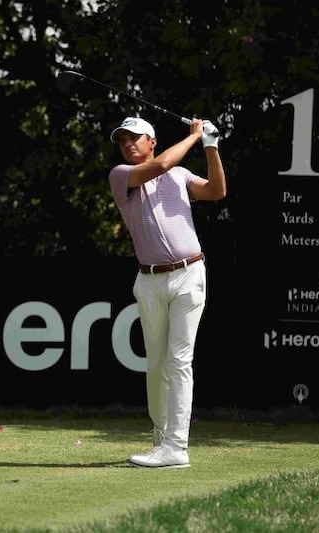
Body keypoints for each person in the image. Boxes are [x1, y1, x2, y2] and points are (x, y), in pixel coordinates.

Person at [107, 116, 226, 468]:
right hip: (149, 280)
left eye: (135, 138)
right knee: (157, 365)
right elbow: (161, 164)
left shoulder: (180, 176)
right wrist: (193, 137)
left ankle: (176, 447)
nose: (128, 144)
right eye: (123, 140)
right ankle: (161, 440)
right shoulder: (121, 176)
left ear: (152, 140)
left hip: (190, 274)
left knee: (178, 360)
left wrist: (210, 146)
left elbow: (217, 191)